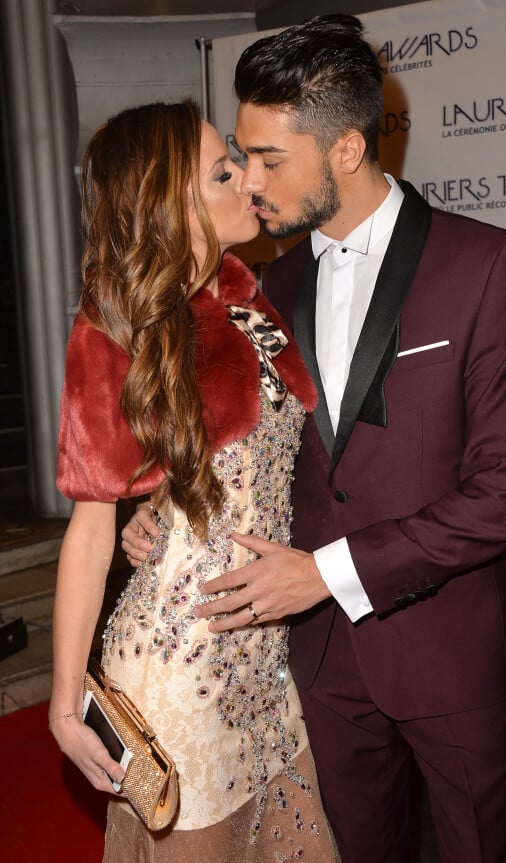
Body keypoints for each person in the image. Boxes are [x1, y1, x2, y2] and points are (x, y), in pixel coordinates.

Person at [122, 16, 506, 863]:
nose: (250, 180)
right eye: (241, 156)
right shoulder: (262, 284)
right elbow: (248, 453)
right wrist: (166, 513)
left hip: (448, 655)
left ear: (347, 150)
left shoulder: (490, 266)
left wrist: (325, 571)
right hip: (314, 665)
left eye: (270, 160)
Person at [49, 98, 339, 863]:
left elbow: (223, 458)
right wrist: (61, 699)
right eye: (223, 169)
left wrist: (162, 496)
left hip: (263, 657)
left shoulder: (249, 299)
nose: (247, 176)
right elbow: (88, 532)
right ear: (171, 202)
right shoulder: (111, 326)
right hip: (176, 669)